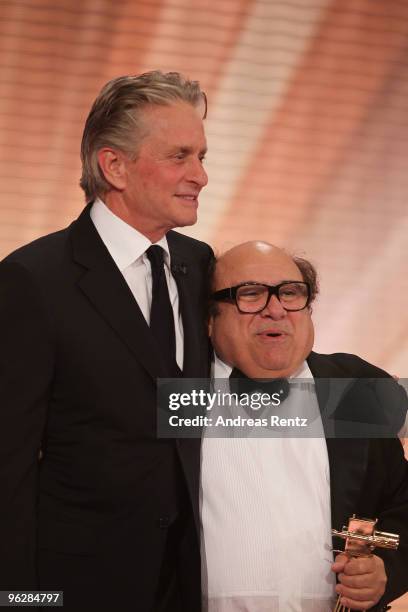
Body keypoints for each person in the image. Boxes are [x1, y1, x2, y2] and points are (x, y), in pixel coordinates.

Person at [0, 71, 213, 611]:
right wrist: (24, 601)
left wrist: (374, 405)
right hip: (77, 588)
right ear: (113, 166)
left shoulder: (199, 264)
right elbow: (9, 467)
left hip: (185, 584)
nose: (201, 176)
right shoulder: (33, 281)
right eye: (180, 156)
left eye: (202, 157)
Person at [201, 241, 408, 612]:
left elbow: (402, 505)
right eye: (251, 294)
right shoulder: (163, 396)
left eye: (291, 293)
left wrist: (386, 572)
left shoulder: (356, 386)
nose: (276, 309)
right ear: (209, 317)